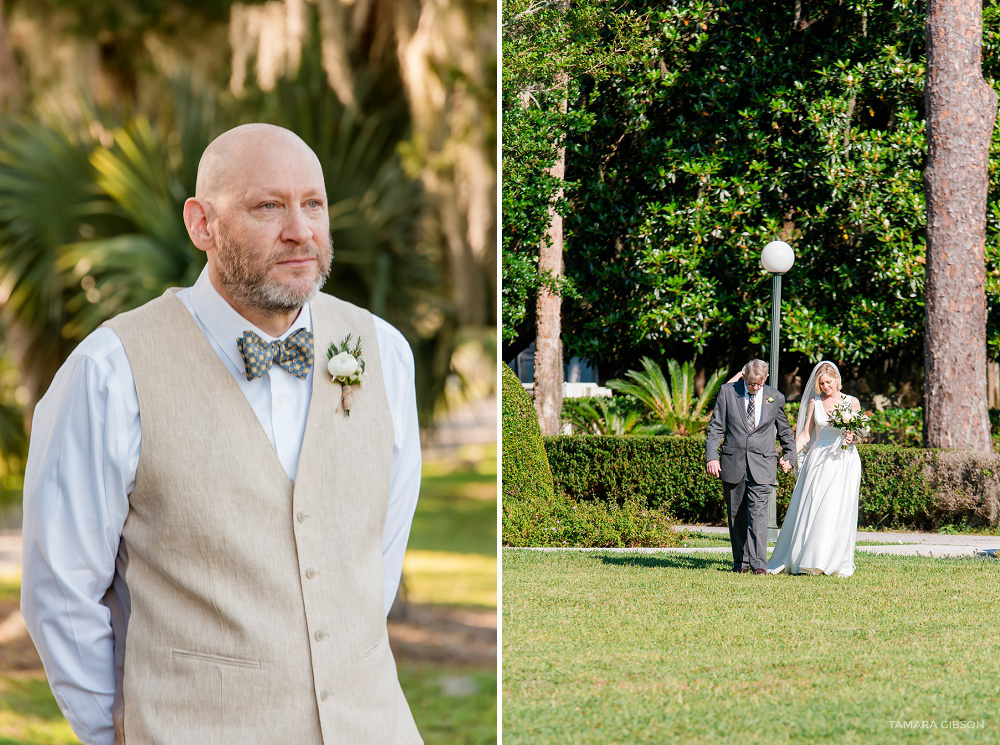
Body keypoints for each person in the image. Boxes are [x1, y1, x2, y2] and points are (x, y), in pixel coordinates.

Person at [20, 123, 423, 745]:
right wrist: (117, 733)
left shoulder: (383, 353)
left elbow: (378, 558)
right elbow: (63, 593)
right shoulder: (111, 370)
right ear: (202, 224)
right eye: (269, 206)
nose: (300, 231)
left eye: (312, 204)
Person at [768, 360, 862, 577]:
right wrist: (789, 456)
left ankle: (832, 561)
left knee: (838, 510)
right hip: (819, 460)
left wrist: (852, 436)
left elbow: (859, 435)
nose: (826, 387)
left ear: (837, 380)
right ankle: (808, 559)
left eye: (829, 382)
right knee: (814, 506)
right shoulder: (815, 402)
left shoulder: (852, 402)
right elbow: (805, 436)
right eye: (822, 383)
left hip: (844, 461)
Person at [705, 359, 796, 574]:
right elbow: (716, 427)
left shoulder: (776, 397)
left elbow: (784, 431)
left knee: (758, 515)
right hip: (732, 462)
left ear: (765, 379)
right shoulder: (728, 392)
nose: (754, 388)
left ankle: (758, 565)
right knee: (736, 516)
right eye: (751, 384)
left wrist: (790, 456)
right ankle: (741, 563)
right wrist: (712, 456)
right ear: (744, 376)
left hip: (763, 464)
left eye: (759, 384)